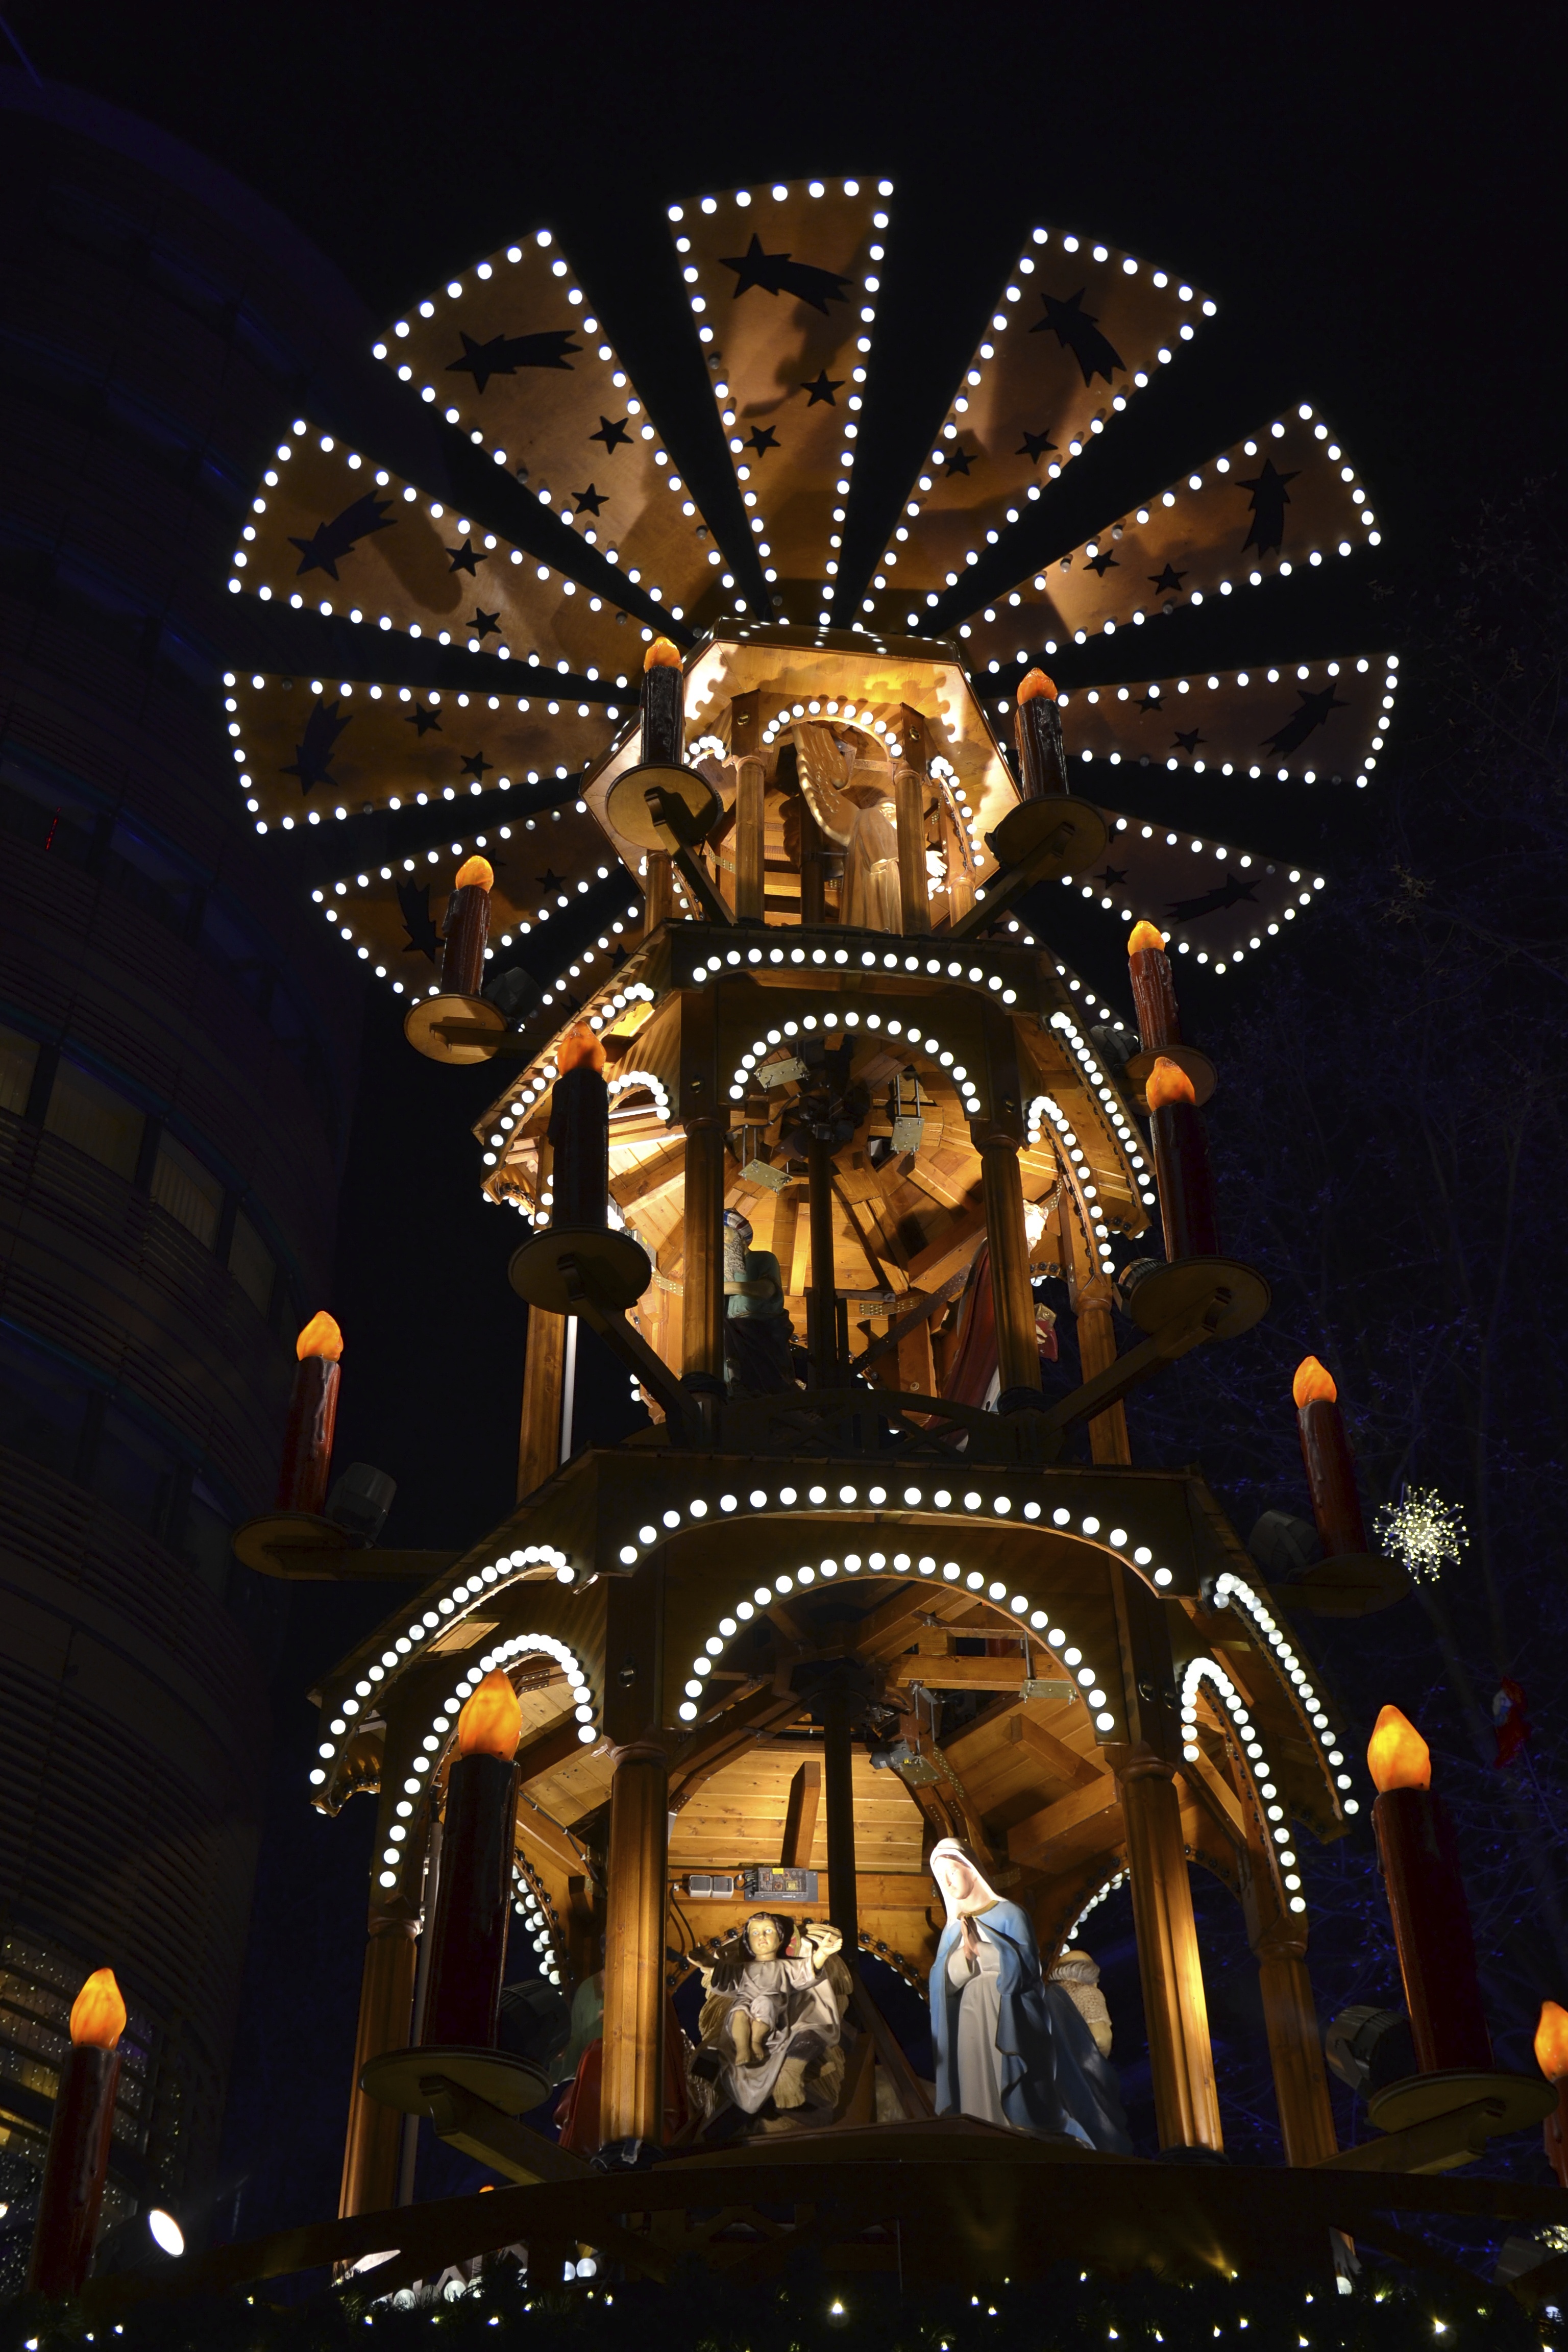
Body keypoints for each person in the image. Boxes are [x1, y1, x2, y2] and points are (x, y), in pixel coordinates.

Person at [927, 1839, 1131, 2151]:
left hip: (1007, 2010)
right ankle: (979, 2134)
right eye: (942, 1877)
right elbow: (942, 1984)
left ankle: (1013, 2131)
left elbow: (1027, 1967)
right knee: (974, 2075)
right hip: (969, 2012)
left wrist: (980, 1950)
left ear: (970, 1869)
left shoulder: (1010, 1914)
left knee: (1006, 2074)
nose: (948, 1881)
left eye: (952, 1872)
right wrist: (964, 1959)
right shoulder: (952, 1930)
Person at [696, 1912, 849, 2118]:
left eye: (768, 1931)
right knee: (738, 2013)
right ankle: (742, 2048)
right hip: (744, 2004)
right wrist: (707, 1962)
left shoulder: (785, 1966)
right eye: (755, 1933)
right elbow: (723, 1975)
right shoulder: (743, 1969)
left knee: (765, 2004)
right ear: (748, 1942)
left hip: (771, 2007)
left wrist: (822, 1953)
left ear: (780, 1940)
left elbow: (807, 1970)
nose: (762, 1937)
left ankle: (756, 2042)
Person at [722, 1209, 795, 1394]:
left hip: (762, 1330)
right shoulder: (723, 1273)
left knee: (768, 1381)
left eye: (724, 1234)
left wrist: (723, 1288)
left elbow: (765, 1290)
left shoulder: (763, 1258)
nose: (721, 1243)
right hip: (732, 1332)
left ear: (739, 1236)